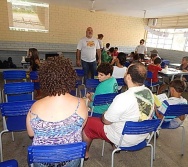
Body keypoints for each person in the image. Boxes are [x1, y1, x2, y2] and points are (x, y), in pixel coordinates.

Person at [83, 62, 154, 159]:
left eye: (126, 72)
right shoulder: (148, 92)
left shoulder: (123, 98)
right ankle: (113, 145)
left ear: (128, 77)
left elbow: (106, 121)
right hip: (142, 136)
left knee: (88, 122)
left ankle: (85, 153)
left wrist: (104, 114)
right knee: (117, 120)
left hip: (124, 138)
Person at [26, 56, 88, 167]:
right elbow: (80, 127)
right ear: (69, 77)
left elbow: (31, 134)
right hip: (71, 160)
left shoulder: (34, 107)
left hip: (42, 161)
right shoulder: (81, 104)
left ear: (45, 79)